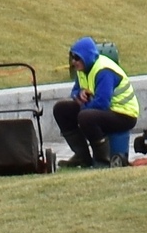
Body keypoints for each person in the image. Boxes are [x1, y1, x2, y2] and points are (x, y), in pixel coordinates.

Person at [54, 36, 140, 169]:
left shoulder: (104, 71)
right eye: (72, 58)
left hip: (124, 114)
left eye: (77, 58)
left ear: (87, 56)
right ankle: (82, 156)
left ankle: (102, 160)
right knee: (61, 109)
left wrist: (83, 107)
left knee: (85, 117)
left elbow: (102, 103)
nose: (74, 62)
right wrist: (79, 93)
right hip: (103, 110)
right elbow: (74, 91)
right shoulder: (83, 69)